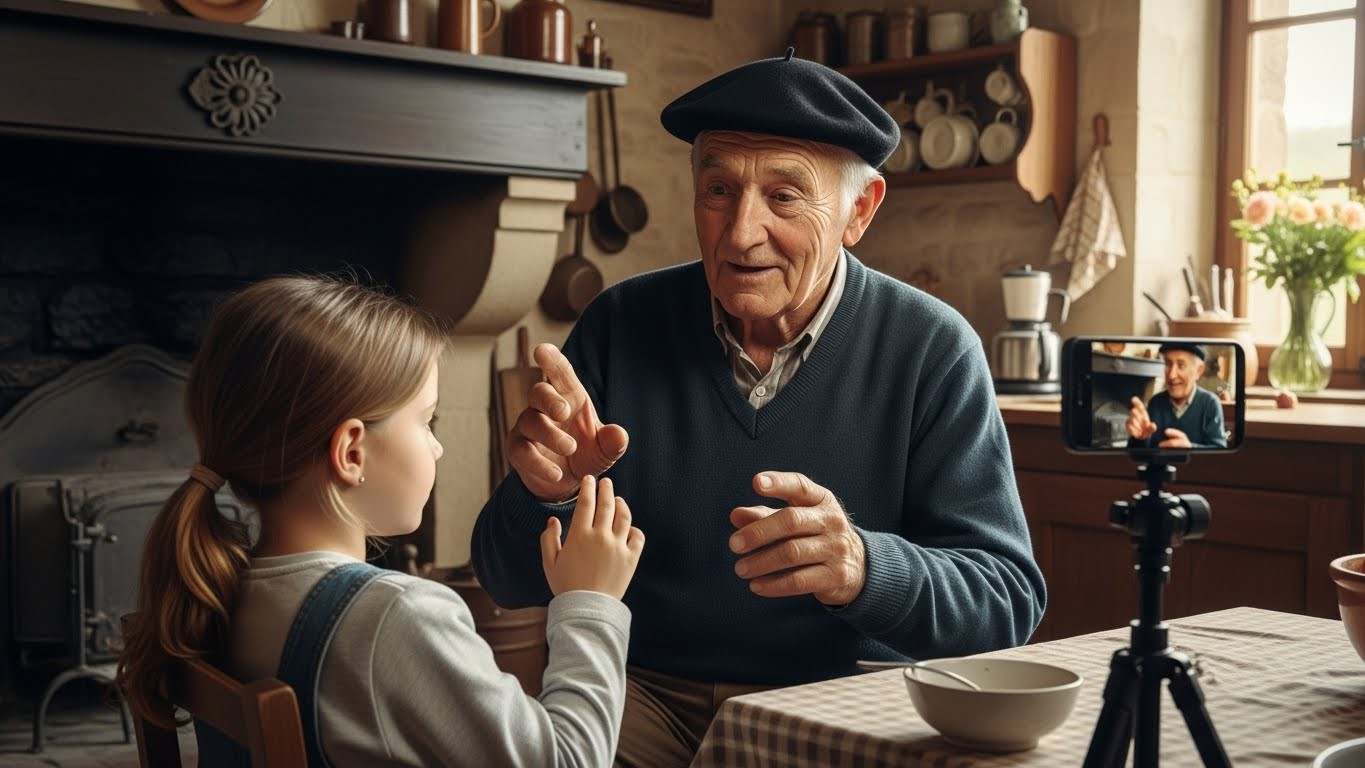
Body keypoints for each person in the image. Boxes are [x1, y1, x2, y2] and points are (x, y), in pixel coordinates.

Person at [472, 50, 1046, 767]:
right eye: (718, 190)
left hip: (839, 702)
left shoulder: (931, 347)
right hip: (642, 696)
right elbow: (504, 578)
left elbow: (1005, 603)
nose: (740, 232)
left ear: (858, 211)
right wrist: (545, 497)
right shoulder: (621, 322)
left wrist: (865, 568)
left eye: (784, 197)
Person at [117, 276, 645, 767]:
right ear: (352, 452)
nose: (438, 447)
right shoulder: (395, 618)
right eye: (426, 421)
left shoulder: (218, 591)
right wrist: (589, 601)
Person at [1126, 341, 1227, 449]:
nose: (1171, 375)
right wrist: (1140, 438)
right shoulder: (1155, 402)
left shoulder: (1210, 403)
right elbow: (1140, 454)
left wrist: (1190, 448)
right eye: (1168, 364)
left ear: (1198, 371)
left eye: (1181, 365)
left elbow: (1220, 451)